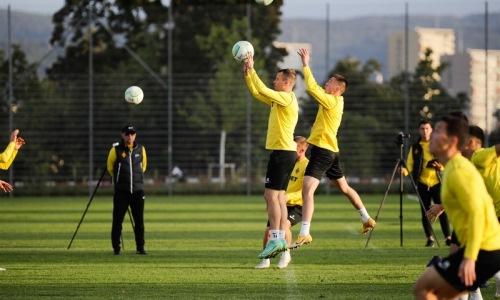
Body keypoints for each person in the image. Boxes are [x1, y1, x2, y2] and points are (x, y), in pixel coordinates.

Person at [292, 48, 375, 248]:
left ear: (337, 88)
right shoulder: (332, 99)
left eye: (329, 81)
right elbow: (315, 88)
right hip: (330, 151)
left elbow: (311, 88)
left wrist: (305, 63)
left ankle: (305, 233)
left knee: (307, 190)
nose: (326, 83)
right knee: (344, 187)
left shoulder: (332, 101)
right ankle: (367, 219)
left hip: (322, 151)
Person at [413, 113, 500, 299]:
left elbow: (476, 214)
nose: (431, 135)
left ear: (452, 141)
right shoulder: (452, 167)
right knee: (448, 293)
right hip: (485, 246)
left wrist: (469, 258)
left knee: (424, 286)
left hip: (485, 249)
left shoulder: (459, 171)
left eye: (437, 131)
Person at [243, 54, 299, 259]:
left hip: (283, 153)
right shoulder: (280, 100)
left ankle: (275, 238)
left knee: (271, 196)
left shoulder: (286, 97)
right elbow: (257, 93)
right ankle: (281, 239)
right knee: (279, 198)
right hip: (284, 152)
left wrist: (252, 67)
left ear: (286, 82)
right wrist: (248, 73)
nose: (274, 81)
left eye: (277, 79)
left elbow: (264, 89)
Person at [255, 136, 309, 269]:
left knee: (284, 225)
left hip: (297, 205)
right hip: (281, 204)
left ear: (302, 150)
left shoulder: (307, 166)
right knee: (269, 230)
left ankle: (286, 254)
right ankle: (265, 259)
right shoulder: (288, 162)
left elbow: (306, 190)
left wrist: (287, 196)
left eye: (294, 148)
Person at [403, 120, 451, 247]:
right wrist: (404, 171)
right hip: (422, 183)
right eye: (422, 128)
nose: (425, 131)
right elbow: (409, 165)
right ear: (419, 130)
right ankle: (429, 238)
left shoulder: (437, 145)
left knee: (442, 210)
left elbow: (447, 163)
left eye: (427, 128)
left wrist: (440, 168)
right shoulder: (416, 147)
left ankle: (448, 237)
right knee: (425, 211)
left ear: (431, 130)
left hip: (437, 182)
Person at [106, 124, 147, 255]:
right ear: (122, 135)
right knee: (117, 220)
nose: (130, 136)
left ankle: (140, 247)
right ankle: (116, 247)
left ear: (135, 135)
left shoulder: (141, 149)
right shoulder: (115, 150)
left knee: (139, 222)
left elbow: (143, 167)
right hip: (121, 192)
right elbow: (110, 168)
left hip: (137, 191)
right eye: (127, 134)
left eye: (132, 134)